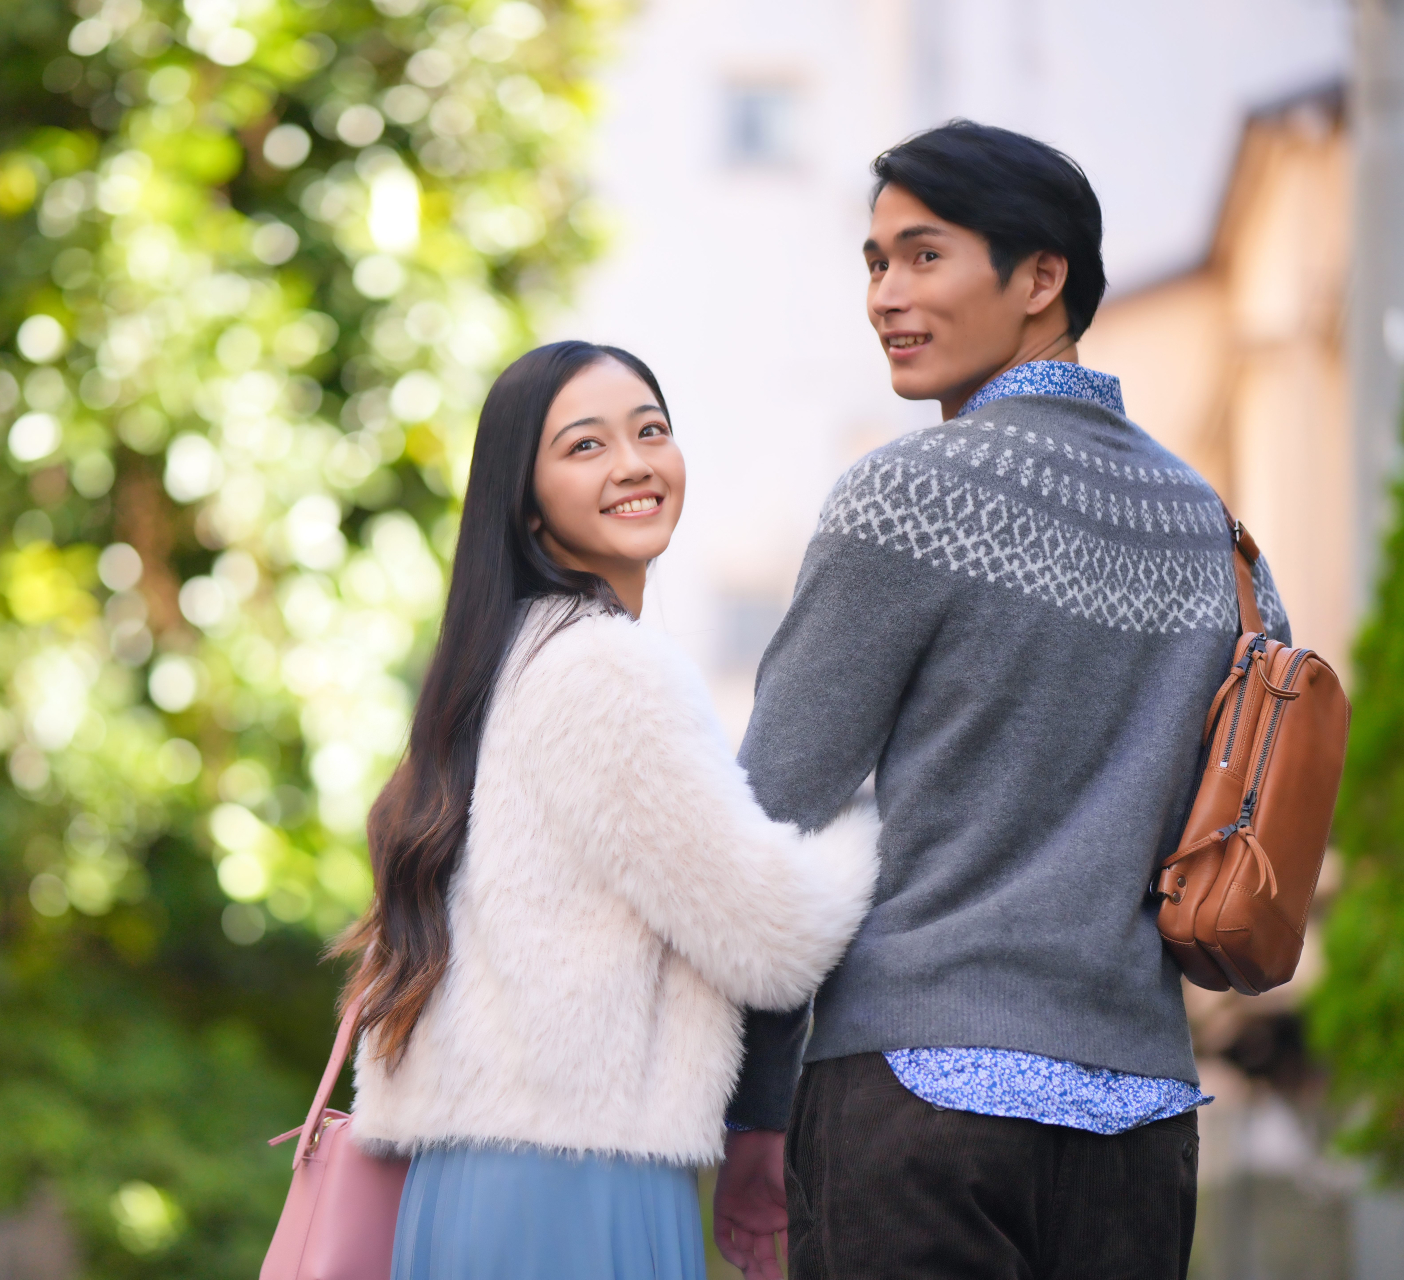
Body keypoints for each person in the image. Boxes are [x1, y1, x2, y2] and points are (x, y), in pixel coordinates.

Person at [711, 120, 1290, 1280]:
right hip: (1140, 1114)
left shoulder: (905, 497)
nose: (885, 295)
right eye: (875, 263)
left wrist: (756, 1106)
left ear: (1041, 277)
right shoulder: (1221, 539)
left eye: (925, 256)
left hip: (919, 1100)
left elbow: (768, 819)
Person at [340, 340, 881, 1279]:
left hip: (475, 1181)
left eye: (651, 431)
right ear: (527, 498)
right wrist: (877, 823)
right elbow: (772, 936)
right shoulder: (604, 669)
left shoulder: (506, 659)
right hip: (574, 1184)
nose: (633, 463)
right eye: (585, 446)